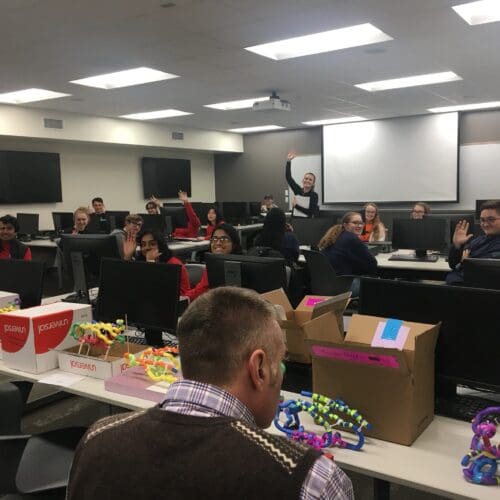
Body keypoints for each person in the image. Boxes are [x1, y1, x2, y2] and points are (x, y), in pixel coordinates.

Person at [67, 287, 354, 500]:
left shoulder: (96, 440)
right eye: (281, 360)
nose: (282, 372)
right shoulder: (311, 479)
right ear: (259, 369)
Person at [319, 212, 378, 296]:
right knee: (379, 283)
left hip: (326, 284)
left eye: (361, 223)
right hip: (344, 286)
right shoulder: (351, 239)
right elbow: (372, 264)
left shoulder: (336, 236)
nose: (359, 226)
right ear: (345, 225)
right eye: (355, 223)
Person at [123, 229, 191, 297]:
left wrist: (151, 263)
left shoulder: (173, 264)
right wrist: (127, 257)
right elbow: (131, 285)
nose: (147, 247)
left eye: (152, 244)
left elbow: (155, 291)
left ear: (161, 245)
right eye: (143, 244)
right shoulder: (142, 262)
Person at [446, 200, 500, 285]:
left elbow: (482, 270)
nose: (485, 224)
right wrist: (457, 245)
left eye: (491, 219)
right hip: (457, 287)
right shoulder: (478, 240)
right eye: (482, 220)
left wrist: (464, 263)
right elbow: (453, 264)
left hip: (475, 292)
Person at [186, 223, 242, 301]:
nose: (218, 243)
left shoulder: (241, 266)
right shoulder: (212, 265)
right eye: (214, 239)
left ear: (234, 244)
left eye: (224, 239)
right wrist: (183, 298)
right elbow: (201, 290)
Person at [285, 152, 319, 218]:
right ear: (303, 180)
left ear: (313, 183)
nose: (307, 181)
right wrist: (288, 161)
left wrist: (296, 206)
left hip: (306, 223)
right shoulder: (297, 190)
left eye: (310, 180)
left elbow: (310, 212)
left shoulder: (314, 195)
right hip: (295, 220)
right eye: (306, 178)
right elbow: (288, 177)